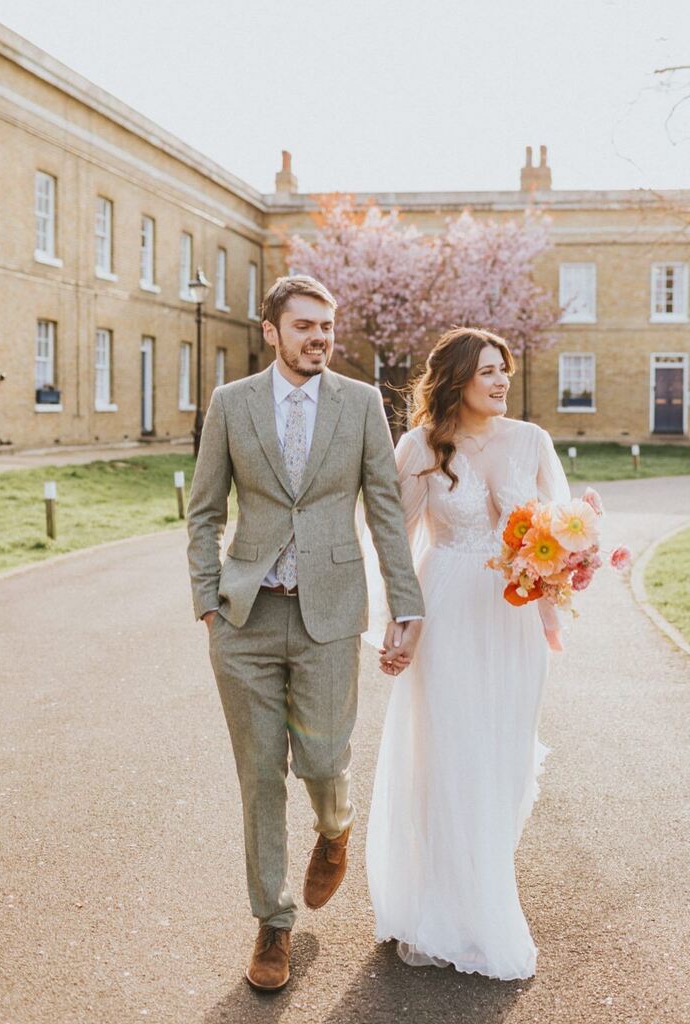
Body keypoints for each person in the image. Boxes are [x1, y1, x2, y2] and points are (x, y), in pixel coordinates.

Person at [186, 275, 424, 991]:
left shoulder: (359, 406)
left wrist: (403, 606)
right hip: (244, 618)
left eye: (327, 326)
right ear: (272, 331)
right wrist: (205, 596)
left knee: (322, 761)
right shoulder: (231, 404)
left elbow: (384, 508)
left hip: (328, 614)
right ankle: (273, 923)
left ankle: (335, 826)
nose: (319, 338)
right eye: (305, 326)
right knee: (260, 776)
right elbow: (202, 510)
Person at [367, 327, 570, 981]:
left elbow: (561, 530)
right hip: (447, 610)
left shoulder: (531, 440)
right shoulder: (420, 445)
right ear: (456, 378)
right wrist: (399, 625)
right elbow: (394, 542)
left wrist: (560, 585)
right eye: (486, 370)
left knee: (502, 763)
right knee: (452, 758)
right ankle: (462, 912)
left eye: (503, 369)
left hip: (510, 620)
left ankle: (480, 880)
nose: (500, 380)